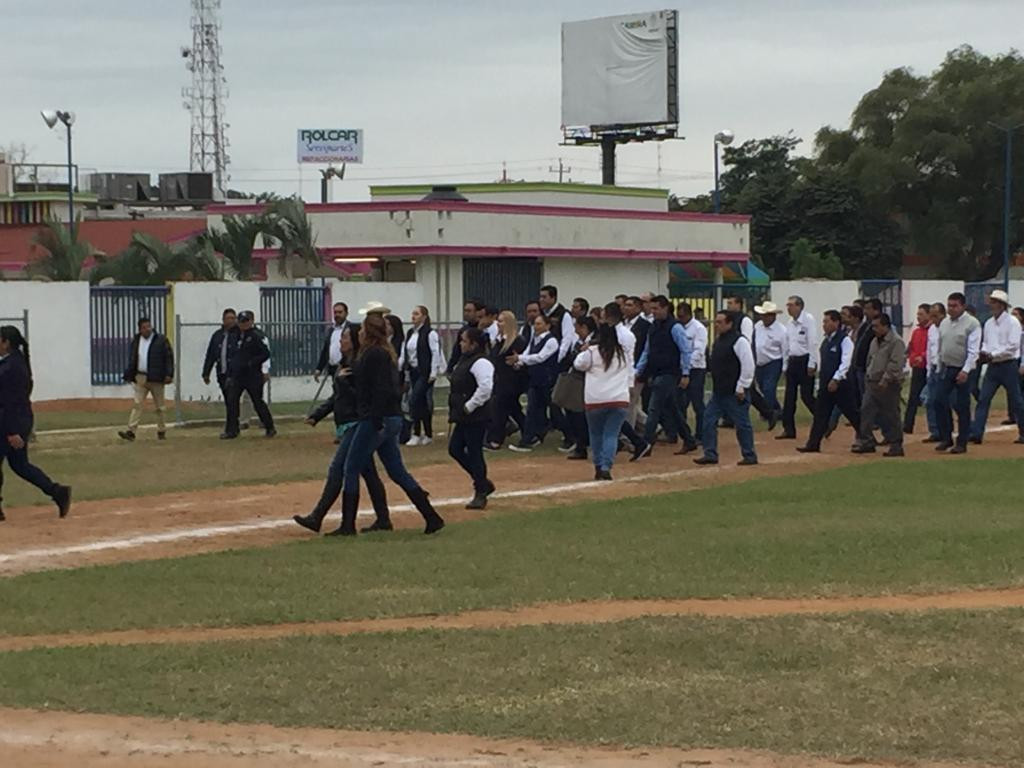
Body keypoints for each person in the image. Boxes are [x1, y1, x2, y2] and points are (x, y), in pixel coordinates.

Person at [334, 313, 445, 536]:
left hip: (377, 418)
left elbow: (379, 389)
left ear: (369, 332)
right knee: (396, 470)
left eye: (363, 329)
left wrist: (374, 419)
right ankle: (431, 517)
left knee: (351, 467)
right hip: (390, 417)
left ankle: (348, 525)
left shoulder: (373, 354)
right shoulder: (383, 352)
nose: (360, 332)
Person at [293, 325, 392, 534]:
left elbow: (361, 396)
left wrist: (344, 382)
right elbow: (337, 397)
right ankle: (383, 519)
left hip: (356, 423)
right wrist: (318, 415)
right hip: (348, 422)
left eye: (345, 338)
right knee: (368, 472)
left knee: (339, 468)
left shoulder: (358, 364)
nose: (341, 342)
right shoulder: (345, 364)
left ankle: (319, 517)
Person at [0, 326, 72, 522]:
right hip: (15, 420)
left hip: (11, 422)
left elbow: (11, 401)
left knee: (19, 464)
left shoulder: (12, 367)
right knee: (20, 465)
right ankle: (57, 491)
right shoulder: (12, 363)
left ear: (6, 343)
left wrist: (13, 431)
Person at [694, 311, 757, 466]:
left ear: (730, 323)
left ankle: (749, 455)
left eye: (720, 322)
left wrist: (742, 386)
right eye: (716, 322)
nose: (716, 325)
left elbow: (748, 365)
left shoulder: (740, 341)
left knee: (742, 424)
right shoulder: (718, 341)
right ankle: (710, 453)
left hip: (734, 392)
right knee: (708, 420)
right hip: (719, 391)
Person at [634, 295, 692, 458]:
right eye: (652, 308)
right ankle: (688, 439)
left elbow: (685, 350)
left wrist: (686, 373)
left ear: (666, 308)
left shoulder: (675, 327)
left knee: (654, 408)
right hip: (656, 371)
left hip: (669, 373)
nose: (653, 312)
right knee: (671, 408)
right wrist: (638, 370)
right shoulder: (654, 327)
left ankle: (645, 443)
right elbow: (647, 350)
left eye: (656, 308)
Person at [574, 322, 632, 480]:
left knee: (596, 434)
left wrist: (585, 349)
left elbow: (578, 364)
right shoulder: (623, 353)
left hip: (595, 399)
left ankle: (598, 465)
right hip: (619, 399)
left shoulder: (592, 352)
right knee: (611, 434)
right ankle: (607, 466)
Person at [798, 311, 860, 453]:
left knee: (852, 413)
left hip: (841, 385)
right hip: (826, 384)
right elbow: (824, 364)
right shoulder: (826, 342)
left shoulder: (844, 340)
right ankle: (813, 443)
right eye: (823, 322)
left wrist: (836, 379)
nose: (824, 325)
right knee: (820, 414)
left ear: (836, 323)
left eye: (827, 321)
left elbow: (846, 362)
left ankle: (867, 437)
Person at [448, 327, 496, 509]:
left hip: (475, 416)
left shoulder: (481, 362)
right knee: (455, 449)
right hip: (463, 415)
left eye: (464, 341)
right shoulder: (465, 360)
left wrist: (470, 405)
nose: (460, 344)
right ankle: (483, 482)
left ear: (474, 344)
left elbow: (485, 387)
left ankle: (480, 491)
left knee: (475, 452)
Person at [969, 290, 1024, 445]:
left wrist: (993, 355)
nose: (991, 305)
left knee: (1017, 400)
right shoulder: (988, 323)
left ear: (1001, 305)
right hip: (993, 367)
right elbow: (986, 342)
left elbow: (1012, 347)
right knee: (983, 399)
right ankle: (977, 433)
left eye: (994, 302)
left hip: (1008, 365)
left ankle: (1023, 433)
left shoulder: (1013, 322)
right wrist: (985, 352)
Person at [852, 313, 906, 457]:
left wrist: (886, 379)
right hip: (872, 382)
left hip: (888, 384)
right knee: (866, 411)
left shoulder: (896, 342)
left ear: (886, 326)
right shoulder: (874, 341)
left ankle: (896, 444)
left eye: (876, 326)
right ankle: (867, 441)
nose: (873, 329)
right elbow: (870, 360)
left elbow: (896, 363)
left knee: (891, 415)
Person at [934, 292, 981, 454]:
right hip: (948, 366)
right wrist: (938, 366)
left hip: (963, 368)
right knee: (938, 400)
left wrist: (966, 370)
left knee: (962, 405)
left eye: (954, 306)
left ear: (962, 306)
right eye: (949, 306)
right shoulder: (945, 323)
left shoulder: (972, 324)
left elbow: (973, 351)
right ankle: (946, 437)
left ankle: (962, 442)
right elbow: (941, 345)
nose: (951, 309)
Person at [602, 302, 648, 460]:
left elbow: (628, 360)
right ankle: (632, 441)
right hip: (611, 378)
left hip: (620, 378)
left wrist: (629, 382)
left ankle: (632, 441)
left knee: (615, 412)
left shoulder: (625, 335)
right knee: (610, 412)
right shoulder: (612, 332)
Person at [509, 312, 560, 452]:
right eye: (535, 324)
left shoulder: (551, 341)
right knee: (532, 409)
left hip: (547, 380)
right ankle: (528, 439)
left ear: (547, 325)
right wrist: (518, 362)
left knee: (554, 410)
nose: (536, 327)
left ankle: (572, 436)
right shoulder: (534, 339)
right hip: (535, 379)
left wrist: (520, 358)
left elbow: (540, 357)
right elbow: (528, 353)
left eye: (539, 324)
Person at [118, 317, 174, 442]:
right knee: (137, 404)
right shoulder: (136, 341)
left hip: (156, 378)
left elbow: (168, 357)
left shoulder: (161, 340)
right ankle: (131, 431)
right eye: (144, 327)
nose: (147, 329)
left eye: (149, 326)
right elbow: (133, 359)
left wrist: (169, 374)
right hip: (140, 377)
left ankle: (161, 430)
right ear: (140, 329)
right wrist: (129, 374)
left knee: (160, 407)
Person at [222, 310, 276, 439]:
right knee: (232, 401)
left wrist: (253, 363)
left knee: (258, 402)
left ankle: (270, 427)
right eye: (241, 321)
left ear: (251, 321)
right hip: (238, 376)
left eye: (246, 321)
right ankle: (232, 430)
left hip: (252, 376)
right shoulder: (234, 335)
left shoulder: (256, 336)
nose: (243, 324)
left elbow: (265, 353)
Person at [400, 306, 444, 446]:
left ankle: (416, 432)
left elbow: (435, 353)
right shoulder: (410, 333)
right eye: (413, 314)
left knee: (414, 400)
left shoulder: (430, 334)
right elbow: (405, 352)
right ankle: (427, 433)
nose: (413, 316)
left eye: (417, 314)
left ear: (424, 317)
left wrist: (433, 372)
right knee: (421, 403)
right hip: (413, 371)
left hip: (425, 372)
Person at [777, 296, 818, 440]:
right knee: (789, 398)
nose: (789, 308)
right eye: (788, 305)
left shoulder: (808, 320)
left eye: (791, 305)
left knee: (806, 396)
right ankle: (788, 429)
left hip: (805, 360)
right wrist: (785, 365)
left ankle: (822, 420)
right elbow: (787, 345)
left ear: (799, 306)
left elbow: (812, 342)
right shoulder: (789, 323)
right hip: (793, 361)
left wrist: (812, 363)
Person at [486, 310, 527, 450]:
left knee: (500, 409)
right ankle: (530, 432)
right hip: (500, 379)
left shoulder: (517, 340)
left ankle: (496, 439)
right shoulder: (499, 340)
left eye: (502, 321)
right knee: (513, 409)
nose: (498, 323)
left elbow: (519, 361)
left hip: (511, 381)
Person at [674, 301, 708, 456]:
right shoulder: (678, 328)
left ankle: (701, 434)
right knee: (681, 403)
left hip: (696, 370)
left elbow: (699, 350)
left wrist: (687, 366)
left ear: (689, 314)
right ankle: (686, 435)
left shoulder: (699, 329)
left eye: (682, 316)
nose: (680, 318)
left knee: (697, 403)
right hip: (682, 370)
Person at [561, 316, 596, 461]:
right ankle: (581, 443)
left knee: (584, 414)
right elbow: (570, 359)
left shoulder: (594, 342)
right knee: (574, 412)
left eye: (577, 327)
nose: (575, 330)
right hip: (579, 380)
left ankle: (583, 444)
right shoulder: (580, 342)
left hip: (590, 381)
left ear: (584, 327)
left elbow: (579, 361)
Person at [752, 300, 787, 424]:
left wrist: (784, 367)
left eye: (767, 315)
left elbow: (785, 350)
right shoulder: (757, 326)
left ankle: (768, 413)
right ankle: (777, 411)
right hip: (759, 363)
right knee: (762, 388)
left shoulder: (781, 330)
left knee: (768, 389)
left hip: (774, 362)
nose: (764, 317)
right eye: (763, 314)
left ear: (774, 316)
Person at [903, 304, 932, 435]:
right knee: (913, 398)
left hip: (929, 367)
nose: (918, 317)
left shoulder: (933, 331)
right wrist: (911, 358)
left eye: (921, 314)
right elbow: (910, 348)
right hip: (918, 368)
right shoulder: (916, 332)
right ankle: (907, 425)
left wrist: (923, 357)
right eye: (918, 314)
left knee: (931, 399)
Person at [202, 307, 239, 403]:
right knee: (228, 400)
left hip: (236, 375)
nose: (231, 321)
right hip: (222, 373)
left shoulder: (239, 334)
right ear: (223, 320)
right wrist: (206, 373)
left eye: (233, 318)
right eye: (229, 318)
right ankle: (232, 417)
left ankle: (233, 417)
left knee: (233, 400)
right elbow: (210, 355)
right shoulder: (217, 335)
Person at [314, 302, 357, 383]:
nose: (337, 315)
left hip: (346, 369)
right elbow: (326, 350)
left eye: (340, 312)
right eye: (335, 312)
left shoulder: (351, 329)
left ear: (346, 313)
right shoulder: (331, 330)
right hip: (333, 369)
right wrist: (319, 368)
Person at [923, 302, 947, 442]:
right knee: (930, 401)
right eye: (931, 316)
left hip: (944, 368)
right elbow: (929, 350)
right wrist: (928, 369)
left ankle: (964, 428)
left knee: (950, 402)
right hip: (933, 368)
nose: (933, 319)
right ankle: (935, 431)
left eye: (936, 316)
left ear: (943, 315)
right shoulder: (932, 329)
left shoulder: (948, 327)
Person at [446, 299, 484, 375]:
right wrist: (450, 369)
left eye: (469, 311)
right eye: (465, 311)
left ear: (478, 312)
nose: (466, 313)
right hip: (466, 366)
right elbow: (456, 351)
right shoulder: (463, 330)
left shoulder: (485, 329)